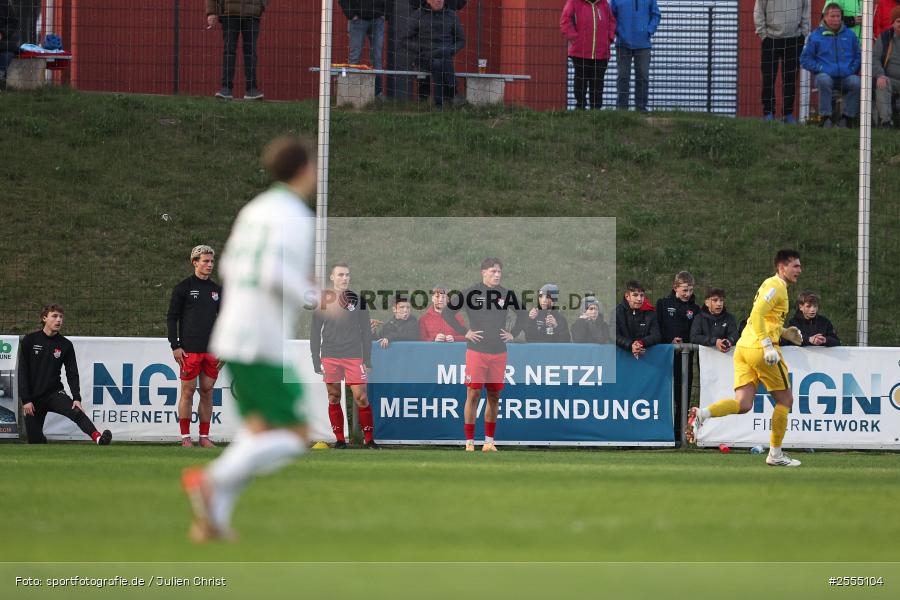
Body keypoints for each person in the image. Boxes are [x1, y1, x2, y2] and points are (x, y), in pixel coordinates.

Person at [181, 136, 318, 543]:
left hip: (235, 329)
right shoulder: (295, 214)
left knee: (257, 430)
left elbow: (229, 262)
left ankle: (212, 522)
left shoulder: (254, 209)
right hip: (260, 335)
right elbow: (273, 271)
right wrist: (316, 296)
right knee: (295, 435)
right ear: (305, 170)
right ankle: (211, 479)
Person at [687, 249, 806, 467]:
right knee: (785, 401)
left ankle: (702, 414)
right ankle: (775, 454)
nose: (800, 270)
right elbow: (757, 314)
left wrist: (785, 332)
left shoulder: (775, 286)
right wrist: (768, 344)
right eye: (795, 266)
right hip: (760, 349)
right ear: (782, 267)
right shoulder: (776, 286)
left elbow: (766, 319)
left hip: (744, 348)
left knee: (743, 404)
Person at [442, 257, 519, 452]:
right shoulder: (470, 293)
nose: (497, 275)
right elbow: (447, 312)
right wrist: (464, 332)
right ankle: (469, 443)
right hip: (476, 351)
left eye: (499, 272)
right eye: (493, 271)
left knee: (494, 396)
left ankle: (489, 442)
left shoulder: (506, 294)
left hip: (499, 352)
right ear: (483, 272)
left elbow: (524, 314)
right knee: (473, 393)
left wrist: (514, 333)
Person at [18, 305, 112, 445]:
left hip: (54, 393)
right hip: (33, 398)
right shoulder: (30, 340)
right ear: (44, 318)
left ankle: (99, 438)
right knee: (35, 441)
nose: (59, 320)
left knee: (76, 411)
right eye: (54, 316)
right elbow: (22, 372)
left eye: (61, 317)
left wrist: (76, 397)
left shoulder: (65, 344)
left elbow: (72, 373)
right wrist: (26, 399)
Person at [310, 263, 377, 449]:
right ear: (332, 277)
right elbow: (315, 332)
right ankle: (340, 440)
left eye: (347, 275)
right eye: (340, 275)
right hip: (330, 355)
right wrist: (316, 359)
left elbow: (366, 332)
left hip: (354, 355)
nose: (344, 278)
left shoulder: (358, 300)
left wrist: (367, 359)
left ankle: (369, 439)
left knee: (361, 397)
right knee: (333, 396)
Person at [167, 245, 222, 448]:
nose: (209, 265)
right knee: (188, 391)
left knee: (207, 391)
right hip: (189, 349)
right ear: (195, 262)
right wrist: (175, 345)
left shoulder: (217, 290)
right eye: (205, 261)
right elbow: (172, 318)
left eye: (211, 261)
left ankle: (204, 437)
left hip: (212, 350)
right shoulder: (183, 288)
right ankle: (185, 437)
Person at [800, 3, 861, 129]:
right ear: (825, 17)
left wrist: (852, 69)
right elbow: (804, 59)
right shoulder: (816, 36)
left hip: (846, 76)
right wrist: (820, 68)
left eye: (838, 16)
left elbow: (858, 55)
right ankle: (825, 118)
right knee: (823, 79)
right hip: (825, 76)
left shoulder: (850, 35)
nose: (836, 19)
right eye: (832, 16)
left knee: (857, 82)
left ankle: (847, 118)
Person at [754, 0, 810, 123]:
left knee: (790, 78)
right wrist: (763, 34)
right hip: (771, 39)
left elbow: (806, 11)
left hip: (794, 39)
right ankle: (768, 113)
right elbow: (758, 11)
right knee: (769, 77)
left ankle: (787, 114)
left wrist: (804, 33)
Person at [406, 0, 465, 108]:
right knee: (442, 53)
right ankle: (453, 91)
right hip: (424, 57)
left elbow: (461, 40)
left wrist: (451, 50)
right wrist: (420, 48)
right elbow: (404, 39)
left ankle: (439, 105)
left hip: (443, 58)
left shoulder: (451, 15)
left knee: (438, 63)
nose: (438, 1)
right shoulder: (418, 15)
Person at [561, 0, 616, 110]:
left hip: (601, 53)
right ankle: (580, 107)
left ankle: (595, 109)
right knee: (580, 80)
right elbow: (565, 21)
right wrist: (575, 39)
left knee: (597, 82)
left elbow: (612, 22)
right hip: (579, 52)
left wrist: (609, 38)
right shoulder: (573, 2)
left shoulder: (604, 4)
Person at [206, 0, 266, 100]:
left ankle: (251, 89)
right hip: (229, 13)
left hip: (252, 13)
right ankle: (226, 88)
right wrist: (211, 12)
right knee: (229, 51)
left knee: (250, 52)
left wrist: (261, 5)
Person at [610, 0, 660, 112]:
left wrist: (649, 31)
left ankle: (641, 107)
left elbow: (656, 15)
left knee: (643, 76)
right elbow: (611, 16)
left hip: (643, 44)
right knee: (623, 76)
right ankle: (622, 109)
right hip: (622, 43)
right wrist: (618, 31)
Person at [339, 0, 386, 97]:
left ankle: (377, 93)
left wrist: (385, 14)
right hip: (358, 18)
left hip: (377, 18)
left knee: (377, 58)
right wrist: (351, 15)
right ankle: (352, 94)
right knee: (355, 57)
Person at [614, 280, 660, 359]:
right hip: (622, 359)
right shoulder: (617, 312)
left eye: (641, 295)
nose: (639, 299)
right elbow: (613, 335)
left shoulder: (650, 312)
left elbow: (656, 335)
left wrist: (641, 343)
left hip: (646, 360)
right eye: (635, 295)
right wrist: (630, 345)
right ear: (627, 296)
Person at [689, 287, 738, 353]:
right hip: (705, 361)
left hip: (726, 359)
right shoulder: (699, 318)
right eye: (715, 300)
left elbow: (735, 335)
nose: (719, 304)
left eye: (721, 300)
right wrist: (715, 341)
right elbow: (694, 337)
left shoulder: (729, 318)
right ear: (707, 302)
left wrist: (729, 341)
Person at [874, 8, 900, 127]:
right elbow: (875, 58)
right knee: (882, 83)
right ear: (893, 23)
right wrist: (880, 74)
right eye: (898, 21)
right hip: (889, 79)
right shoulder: (884, 37)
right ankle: (886, 122)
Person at [0, 0, 20, 91]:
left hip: (5, 41)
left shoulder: (4, 3)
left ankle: (1, 78)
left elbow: (13, 23)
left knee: (7, 54)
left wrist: (2, 33)